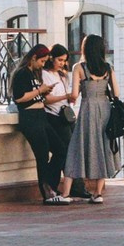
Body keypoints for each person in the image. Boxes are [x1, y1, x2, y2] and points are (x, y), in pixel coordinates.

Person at [63, 34, 119, 203]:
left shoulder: (79, 68)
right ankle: (98, 193)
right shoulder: (108, 68)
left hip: (88, 110)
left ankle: (65, 194)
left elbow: (74, 94)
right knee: (103, 147)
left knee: (77, 147)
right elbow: (116, 93)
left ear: (85, 49)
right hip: (105, 110)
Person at [12, 43, 64, 204]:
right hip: (30, 117)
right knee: (42, 155)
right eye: (41, 61)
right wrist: (40, 91)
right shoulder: (22, 73)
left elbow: (35, 94)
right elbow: (20, 98)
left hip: (41, 115)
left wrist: (44, 91)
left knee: (60, 149)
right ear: (33, 58)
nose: (43, 65)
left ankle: (51, 185)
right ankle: (47, 192)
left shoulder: (35, 73)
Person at [40, 44, 80, 200]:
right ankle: (51, 184)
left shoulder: (62, 75)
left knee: (70, 150)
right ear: (51, 58)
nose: (62, 63)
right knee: (62, 151)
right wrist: (66, 97)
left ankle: (71, 185)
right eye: (60, 60)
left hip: (65, 115)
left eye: (64, 61)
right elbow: (47, 100)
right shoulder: (45, 74)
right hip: (53, 116)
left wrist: (69, 100)